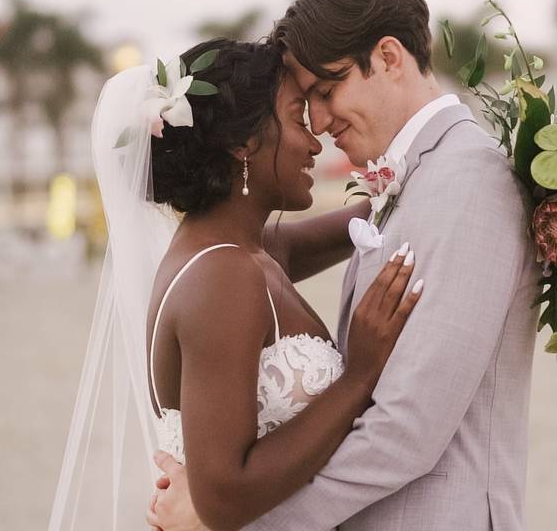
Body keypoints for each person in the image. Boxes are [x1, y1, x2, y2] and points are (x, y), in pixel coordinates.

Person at [150, 0, 539, 531]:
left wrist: (221, 521)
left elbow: (405, 432)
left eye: (326, 93)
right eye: (304, 106)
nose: (319, 123)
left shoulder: (468, 181)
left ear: (388, 57)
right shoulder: (415, 182)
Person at [48, 38, 424, 531]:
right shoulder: (223, 276)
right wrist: (360, 377)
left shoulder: (243, 250)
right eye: (297, 118)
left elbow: (361, 217)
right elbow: (223, 495)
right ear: (243, 143)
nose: (316, 142)